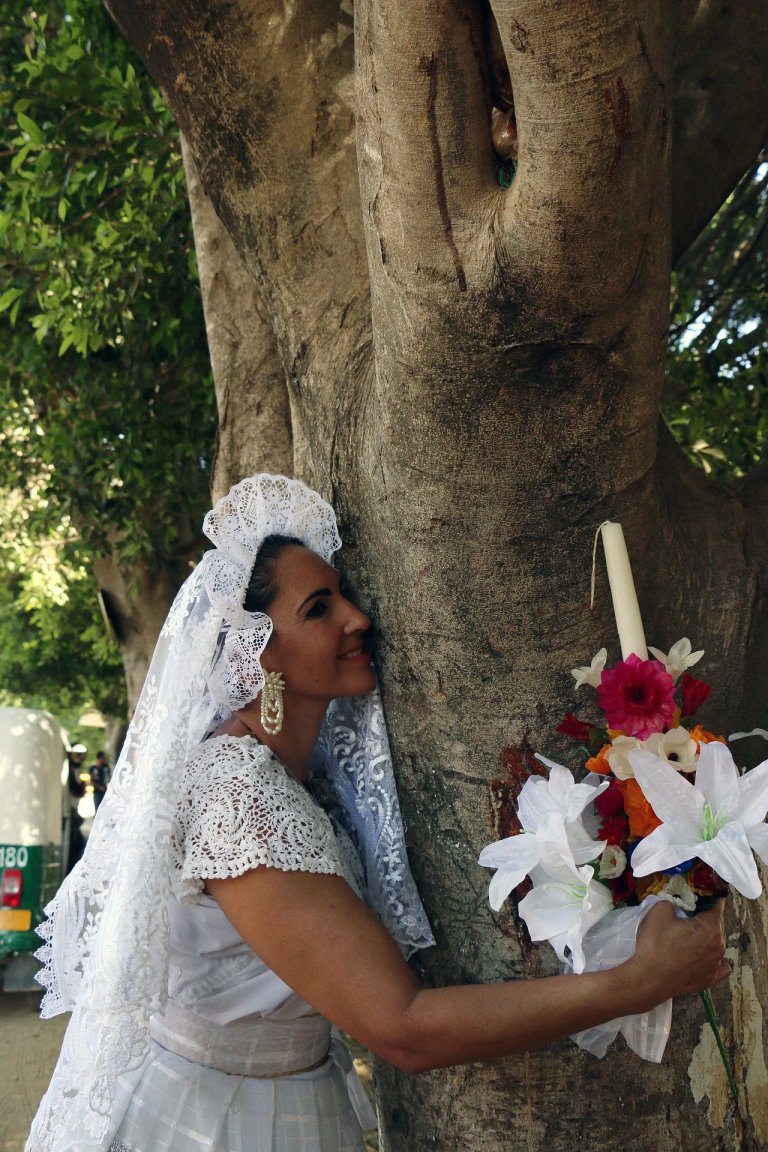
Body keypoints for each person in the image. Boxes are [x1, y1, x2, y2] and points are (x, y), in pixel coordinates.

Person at [26, 474, 728, 1152]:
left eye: (343, 597)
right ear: (256, 654)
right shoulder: (239, 798)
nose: (358, 618)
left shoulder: (286, 782)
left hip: (275, 1101)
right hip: (220, 1123)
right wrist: (633, 983)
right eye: (319, 608)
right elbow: (401, 1028)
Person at [65, 743, 88, 873]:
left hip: (73, 808)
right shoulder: (71, 770)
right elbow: (77, 791)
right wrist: (83, 785)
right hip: (71, 808)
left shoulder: (74, 770)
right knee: (78, 843)